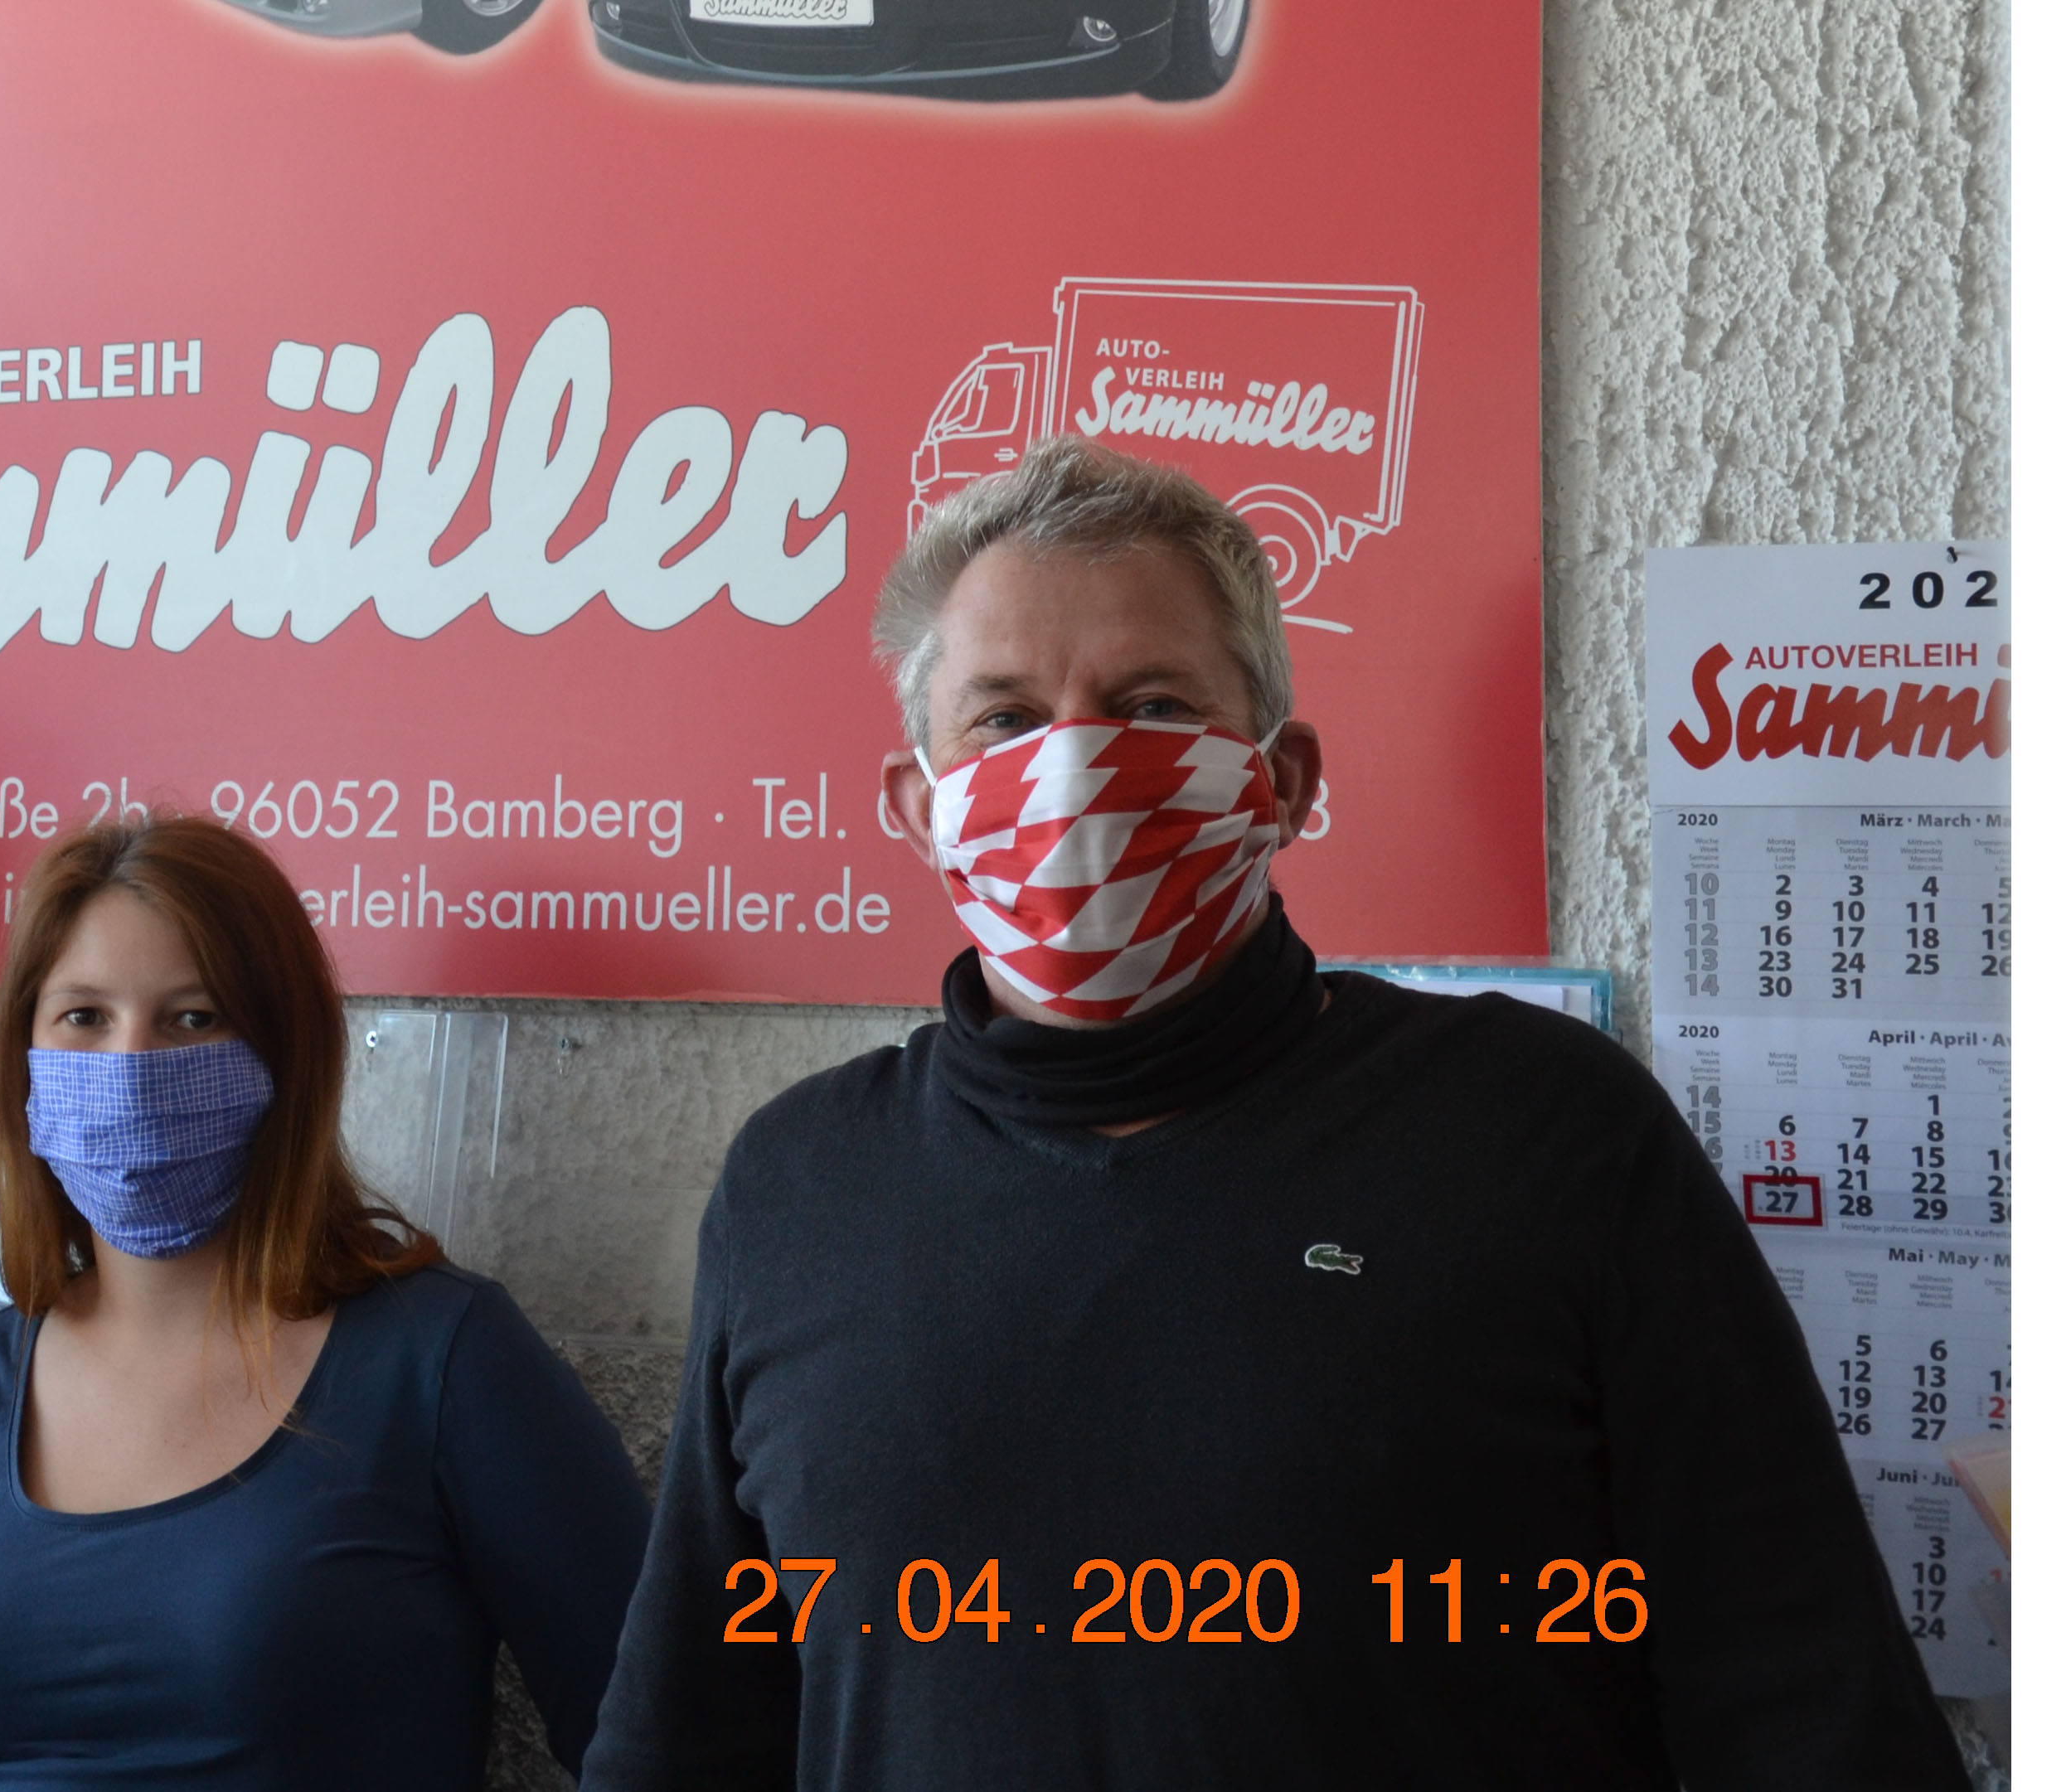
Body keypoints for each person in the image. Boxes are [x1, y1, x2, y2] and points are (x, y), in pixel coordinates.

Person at [579, 438, 1967, 1790]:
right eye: (1003, 717)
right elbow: (695, 1726)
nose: (1075, 768)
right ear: (917, 805)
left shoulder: (1551, 1136)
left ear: (1284, 778)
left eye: (1153, 705)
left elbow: (1807, 1695)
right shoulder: (798, 1184)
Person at [0, 816, 651, 1791]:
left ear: (285, 1055)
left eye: (193, 1017)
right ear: (23, 1054)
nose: (132, 1066)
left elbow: (669, 1729)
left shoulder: (442, 1357)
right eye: (84, 1016)